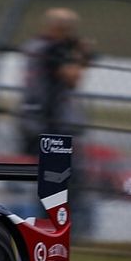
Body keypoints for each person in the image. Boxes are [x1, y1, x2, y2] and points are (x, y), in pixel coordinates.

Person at [18, 8, 94, 156]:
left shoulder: (34, 45)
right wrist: (79, 54)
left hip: (32, 111)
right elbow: (72, 78)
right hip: (52, 117)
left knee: (33, 163)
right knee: (58, 168)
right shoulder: (53, 49)